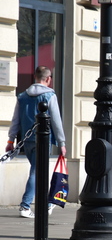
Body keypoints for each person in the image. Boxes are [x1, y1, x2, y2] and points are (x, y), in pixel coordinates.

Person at [5, 66, 66, 219]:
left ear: (35, 77)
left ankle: (45, 203)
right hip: (42, 140)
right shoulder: (50, 95)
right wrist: (62, 143)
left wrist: (11, 140)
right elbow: (56, 121)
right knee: (36, 172)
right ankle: (25, 206)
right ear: (48, 79)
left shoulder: (23, 96)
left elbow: (15, 121)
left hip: (27, 141)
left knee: (37, 171)